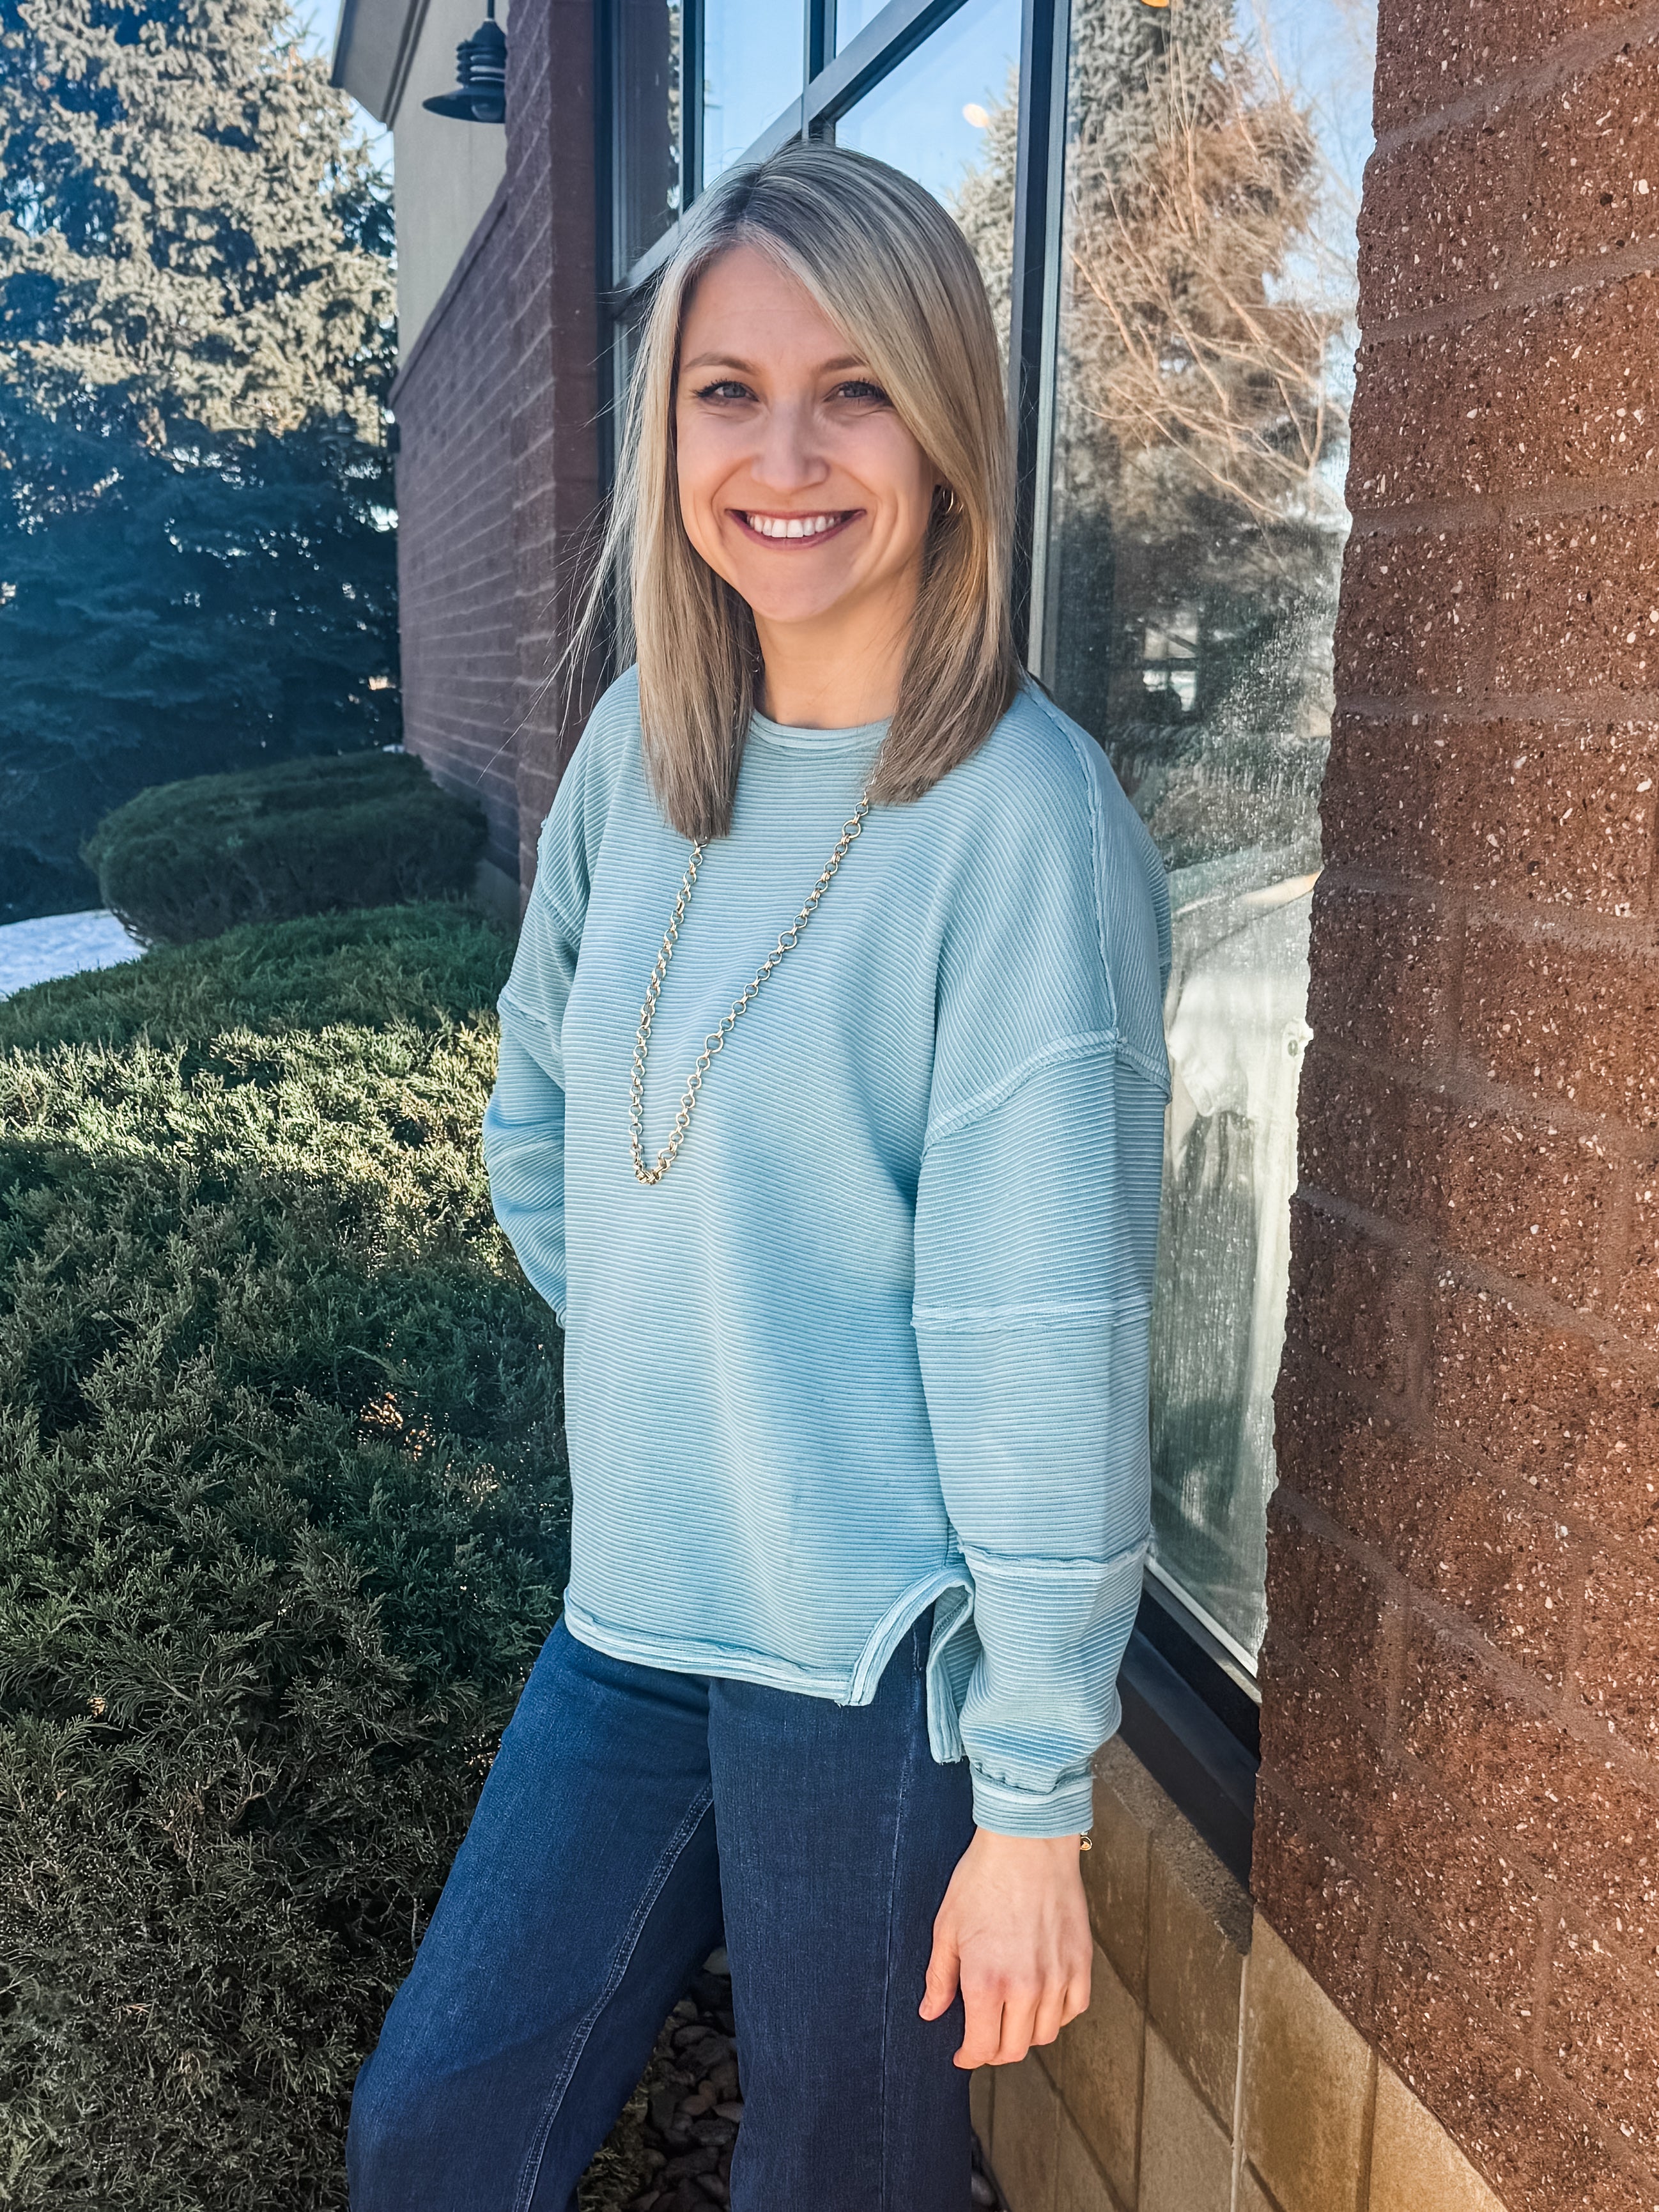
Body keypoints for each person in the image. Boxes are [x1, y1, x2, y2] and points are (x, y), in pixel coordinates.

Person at [347, 139, 1170, 2212]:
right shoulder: (641, 748)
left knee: (837, 2181)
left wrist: (1034, 1795)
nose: (782, 458)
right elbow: (544, 1109)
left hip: (878, 1662)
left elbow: (1043, 1333)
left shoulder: (1022, 827)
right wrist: (695, 1364)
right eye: (728, 390)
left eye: (853, 390)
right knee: (436, 2133)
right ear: (669, 428)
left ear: (946, 425)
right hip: (634, 1609)